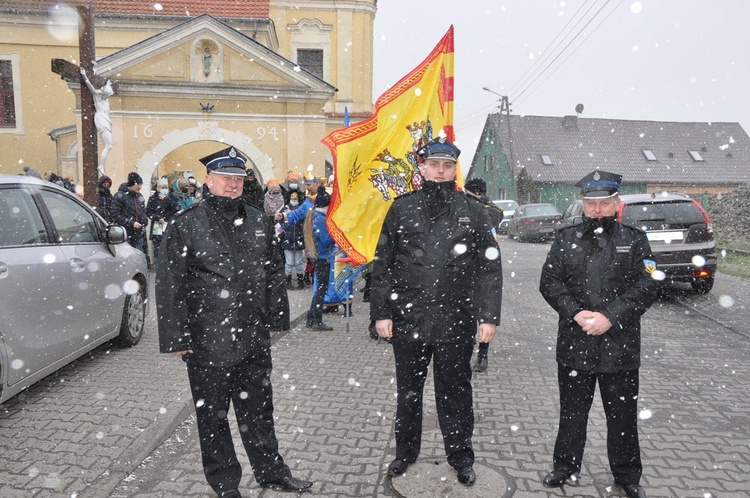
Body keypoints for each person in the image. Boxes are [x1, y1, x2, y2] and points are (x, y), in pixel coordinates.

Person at [156, 146, 313, 497]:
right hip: (206, 339)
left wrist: (276, 319)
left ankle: (271, 471)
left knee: (259, 410)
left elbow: (273, 273)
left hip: (253, 335)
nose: (232, 184)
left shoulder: (258, 220)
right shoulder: (187, 224)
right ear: (208, 181)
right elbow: (170, 283)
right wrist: (176, 337)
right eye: (225, 178)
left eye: (238, 179)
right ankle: (225, 484)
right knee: (213, 418)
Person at [370, 137, 503, 487]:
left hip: (455, 319)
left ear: (453, 169)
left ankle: (460, 455)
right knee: (409, 390)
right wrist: (381, 313)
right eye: (434, 164)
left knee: (455, 389)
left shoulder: (473, 210)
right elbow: (384, 264)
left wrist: (489, 316)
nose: (440, 171)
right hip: (408, 317)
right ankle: (405, 453)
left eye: (447, 166)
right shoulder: (402, 208)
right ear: (423, 167)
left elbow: (490, 266)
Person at [539, 170, 658, 498]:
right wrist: (576, 313)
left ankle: (627, 475)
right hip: (575, 343)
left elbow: (648, 284)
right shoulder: (566, 238)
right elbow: (549, 282)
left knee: (622, 416)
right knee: (572, 412)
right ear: (583, 203)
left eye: (605, 203)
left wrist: (609, 316)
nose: (597, 209)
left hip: (620, 346)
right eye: (591, 203)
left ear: (616, 203)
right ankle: (565, 467)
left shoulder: (634, 239)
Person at [463, 178, 504, 373]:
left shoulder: (482, 210)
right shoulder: (491, 208)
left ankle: (481, 352)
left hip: (477, 269)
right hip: (475, 269)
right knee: (477, 314)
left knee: (477, 313)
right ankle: (479, 352)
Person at [303, 187, 335, 331]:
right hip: (322, 257)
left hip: (319, 257)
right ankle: (317, 320)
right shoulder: (321, 219)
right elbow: (326, 240)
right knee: (321, 289)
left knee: (320, 289)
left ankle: (311, 318)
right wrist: (335, 238)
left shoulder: (315, 216)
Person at [80, 67, 114, 175]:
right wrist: (84, 75)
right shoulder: (98, 96)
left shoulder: (105, 97)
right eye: (107, 94)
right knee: (108, 145)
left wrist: (94, 70)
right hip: (101, 119)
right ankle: (100, 166)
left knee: (109, 145)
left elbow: (96, 81)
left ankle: (101, 166)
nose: (108, 95)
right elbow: (91, 86)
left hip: (106, 120)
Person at [146, 177, 179, 262]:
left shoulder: (173, 197)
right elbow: (148, 212)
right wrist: (157, 218)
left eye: (166, 187)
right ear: (157, 188)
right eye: (162, 187)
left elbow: (177, 208)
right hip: (158, 227)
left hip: (170, 225)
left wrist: (166, 199)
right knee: (158, 249)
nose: (165, 189)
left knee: (170, 249)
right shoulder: (153, 198)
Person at [111, 172, 147, 251]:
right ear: (132, 184)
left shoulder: (139, 196)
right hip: (125, 234)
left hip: (138, 235)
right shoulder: (120, 196)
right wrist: (131, 223)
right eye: (138, 184)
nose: (140, 187)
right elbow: (115, 214)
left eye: (141, 184)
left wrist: (144, 220)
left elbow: (143, 211)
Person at [280, 190, 306, 290]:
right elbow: (281, 224)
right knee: (289, 262)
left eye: (295, 199)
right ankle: (287, 280)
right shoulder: (285, 210)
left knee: (299, 262)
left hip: (298, 238)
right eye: (292, 199)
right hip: (288, 240)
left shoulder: (301, 211)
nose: (293, 200)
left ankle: (300, 280)